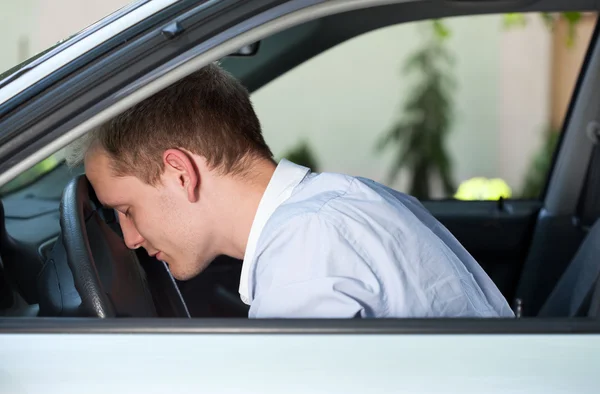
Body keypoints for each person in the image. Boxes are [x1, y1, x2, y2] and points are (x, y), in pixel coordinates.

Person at [69, 62, 514, 318]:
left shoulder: (305, 253)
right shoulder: (346, 201)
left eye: (126, 209)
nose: (129, 239)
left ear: (180, 173)